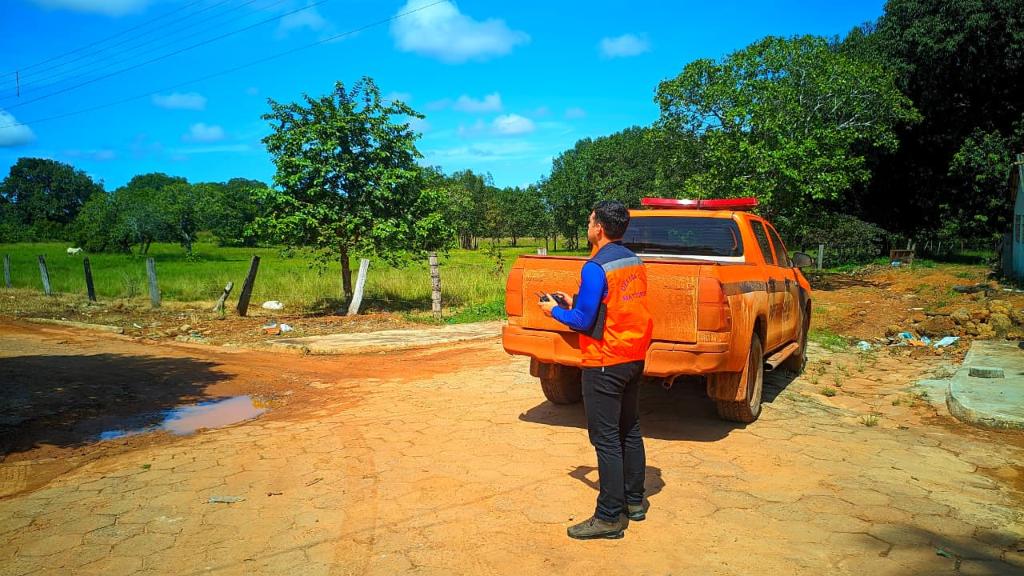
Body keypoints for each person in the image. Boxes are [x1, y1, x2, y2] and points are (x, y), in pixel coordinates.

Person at [538, 200, 654, 540]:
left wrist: (553, 311)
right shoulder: (632, 261)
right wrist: (574, 300)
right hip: (633, 356)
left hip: (605, 361)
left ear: (598, 228)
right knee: (629, 429)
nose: (588, 225)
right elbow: (609, 306)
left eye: (590, 220)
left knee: (605, 440)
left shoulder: (595, 267)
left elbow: (582, 322)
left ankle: (608, 517)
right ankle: (635, 501)